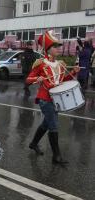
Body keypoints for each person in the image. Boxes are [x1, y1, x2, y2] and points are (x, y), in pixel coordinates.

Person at [26, 30, 80, 164]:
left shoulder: (60, 65)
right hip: (45, 99)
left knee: (46, 124)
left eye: (58, 46)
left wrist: (73, 72)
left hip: (56, 99)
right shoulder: (41, 63)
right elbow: (28, 79)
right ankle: (56, 156)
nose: (58, 49)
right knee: (54, 125)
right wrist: (36, 78)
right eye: (55, 47)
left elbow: (62, 80)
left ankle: (33, 143)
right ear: (48, 49)